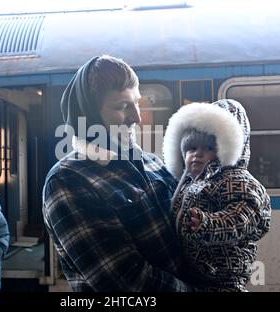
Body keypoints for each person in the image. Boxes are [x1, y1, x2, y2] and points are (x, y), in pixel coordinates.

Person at [42, 55, 193, 291]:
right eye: (123, 107)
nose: (137, 117)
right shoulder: (67, 180)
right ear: (89, 115)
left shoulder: (151, 162)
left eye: (137, 103)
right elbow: (126, 281)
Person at [163, 99, 272, 291]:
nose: (197, 154)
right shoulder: (188, 182)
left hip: (223, 276)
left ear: (227, 148)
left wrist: (207, 224)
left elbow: (241, 218)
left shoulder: (235, 180)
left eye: (209, 148)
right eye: (191, 148)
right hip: (194, 273)